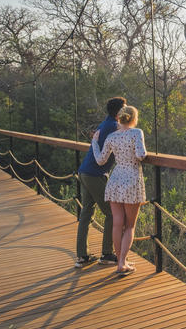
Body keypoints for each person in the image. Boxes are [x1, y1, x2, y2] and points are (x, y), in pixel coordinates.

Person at [92, 105, 147, 275]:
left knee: (117, 223)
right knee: (129, 226)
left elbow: (101, 160)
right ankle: (122, 263)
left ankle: (119, 261)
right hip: (131, 180)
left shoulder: (111, 137)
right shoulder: (136, 133)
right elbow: (141, 155)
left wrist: (94, 142)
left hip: (115, 180)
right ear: (133, 119)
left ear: (120, 118)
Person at [74, 96, 127, 268]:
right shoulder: (113, 126)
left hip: (85, 172)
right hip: (95, 174)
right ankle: (107, 253)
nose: (126, 110)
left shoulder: (106, 123)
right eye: (124, 108)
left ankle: (82, 256)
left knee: (86, 214)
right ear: (119, 111)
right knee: (112, 213)